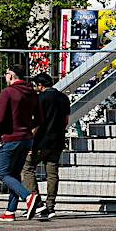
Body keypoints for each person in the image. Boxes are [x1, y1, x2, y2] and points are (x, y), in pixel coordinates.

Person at [0, 64, 39, 222]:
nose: (5, 77)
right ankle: (10, 211)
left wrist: (1, 133)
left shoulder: (8, 92)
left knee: (3, 174)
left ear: (12, 76)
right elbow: (39, 118)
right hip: (26, 139)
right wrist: (27, 128)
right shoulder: (31, 92)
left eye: (6, 74)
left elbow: (0, 118)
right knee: (14, 175)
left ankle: (28, 197)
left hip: (10, 138)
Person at [29, 71, 70, 222]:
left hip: (41, 141)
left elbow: (37, 123)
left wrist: (30, 141)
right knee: (52, 173)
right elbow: (66, 120)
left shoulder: (40, 99)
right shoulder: (63, 98)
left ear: (40, 85)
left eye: (35, 85)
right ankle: (51, 206)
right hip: (57, 140)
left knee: (27, 167)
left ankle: (37, 202)